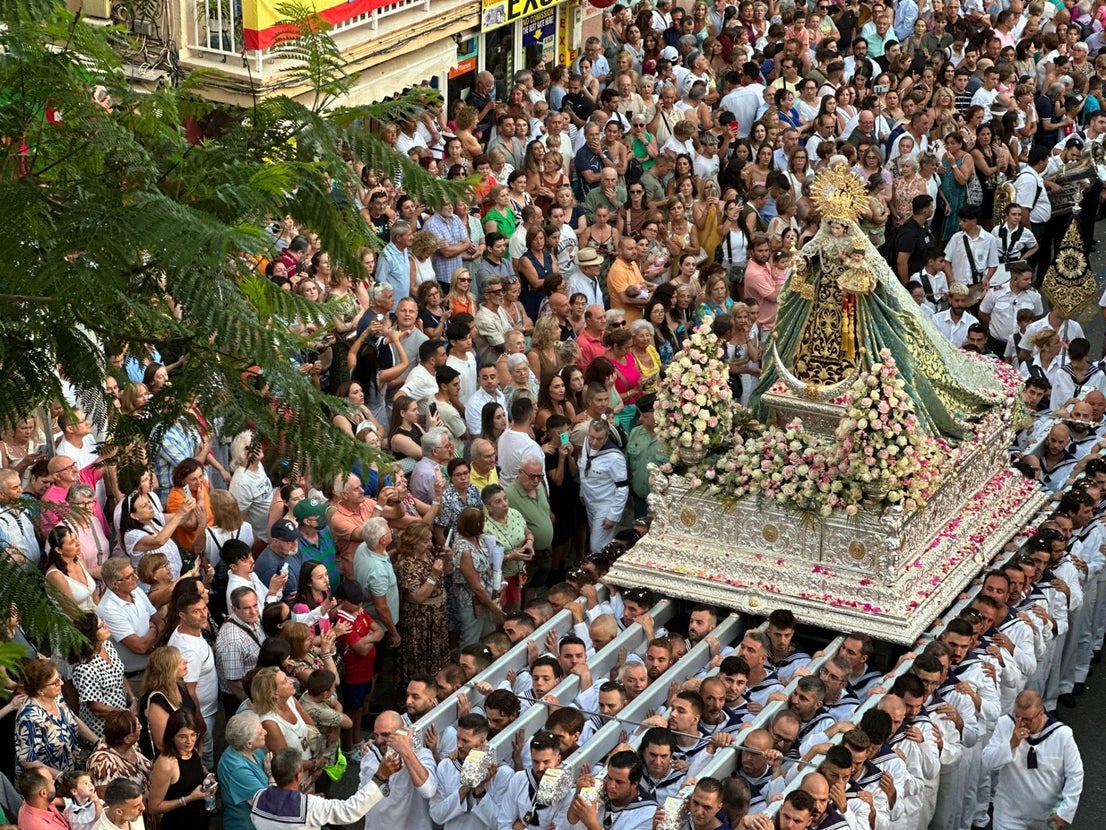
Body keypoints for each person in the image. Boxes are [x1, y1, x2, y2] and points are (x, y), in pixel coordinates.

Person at [751, 162, 1003, 441]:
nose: (836, 229)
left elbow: (875, 272)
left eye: (841, 225)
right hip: (822, 303)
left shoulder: (857, 244)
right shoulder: (820, 241)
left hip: (851, 305)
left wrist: (857, 268)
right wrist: (803, 262)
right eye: (832, 224)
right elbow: (811, 258)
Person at [982, 690, 1083, 830]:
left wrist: (1065, 811)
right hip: (1008, 813)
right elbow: (987, 762)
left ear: (1041, 714)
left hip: (1046, 815)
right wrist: (1011, 744)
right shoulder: (1005, 724)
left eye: (1027, 719)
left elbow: (1075, 774)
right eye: (1017, 717)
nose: (1021, 723)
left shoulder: (1062, 735)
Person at [251, 746, 398, 830]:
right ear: (298, 776)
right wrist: (379, 777)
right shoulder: (310, 806)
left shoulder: (258, 797)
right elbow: (350, 810)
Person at [16, 658, 99, 777]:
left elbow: (73, 719)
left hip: (70, 767)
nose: (61, 683)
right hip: (47, 779)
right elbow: (27, 759)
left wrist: (98, 742)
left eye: (59, 678)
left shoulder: (56, 698)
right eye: (55, 682)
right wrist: (60, 776)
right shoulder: (30, 717)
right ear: (40, 691)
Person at [358, 712, 437, 829]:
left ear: (403, 733)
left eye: (385, 734)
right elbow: (362, 800)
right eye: (376, 735)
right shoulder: (370, 754)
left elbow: (428, 790)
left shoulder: (422, 755)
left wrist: (405, 750)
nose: (379, 740)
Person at [394, 521, 451, 685]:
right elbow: (418, 597)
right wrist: (433, 574)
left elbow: (446, 572)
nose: (429, 544)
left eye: (430, 540)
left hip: (437, 616)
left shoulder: (430, 553)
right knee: (421, 660)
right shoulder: (407, 564)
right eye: (425, 541)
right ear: (413, 542)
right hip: (420, 621)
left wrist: (448, 559)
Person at [167, 593, 218, 767]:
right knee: (205, 755)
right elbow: (188, 690)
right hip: (202, 712)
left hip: (206, 709)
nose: (204, 614)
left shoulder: (189, 631)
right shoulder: (189, 651)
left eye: (204, 608)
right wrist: (198, 721)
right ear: (182, 615)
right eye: (196, 612)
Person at [70, 612, 136, 738]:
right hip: (104, 727)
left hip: (123, 717)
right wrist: (125, 713)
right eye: (101, 626)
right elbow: (97, 708)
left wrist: (133, 699)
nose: (106, 626)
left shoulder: (107, 646)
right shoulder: (85, 668)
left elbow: (120, 674)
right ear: (90, 634)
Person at [146, 711, 212, 830]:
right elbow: (154, 807)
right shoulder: (166, 764)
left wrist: (209, 776)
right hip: (179, 823)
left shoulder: (193, 750)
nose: (189, 741)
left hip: (200, 818)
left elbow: (196, 768)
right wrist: (188, 799)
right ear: (172, 736)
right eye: (182, 736)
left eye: (193, 735)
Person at [452, 505, 502, 645]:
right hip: (472, 602)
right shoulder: (464, 550)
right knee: (471, 639)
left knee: (488, 636)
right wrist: (494, 609)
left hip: (486, 598)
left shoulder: (479, 539)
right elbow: (476, 586)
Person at [579, 419, 630, 553]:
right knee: (597, 543)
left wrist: (613, 515)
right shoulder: (586, 443)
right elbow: (583, 469)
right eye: (592, 437)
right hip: (590, 502)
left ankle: (602, 571)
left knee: (597, 547)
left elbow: (622, 487)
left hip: (605, 505)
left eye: (599, 439)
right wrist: (582, 493)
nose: (594, 442)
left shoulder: (615, 457)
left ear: (606, 437)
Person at [86, 710, 152, 799]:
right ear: (127, 739)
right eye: (138, 727)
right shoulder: (101, 762)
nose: (141, 727)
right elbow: (105, 800)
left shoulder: (133, 745)